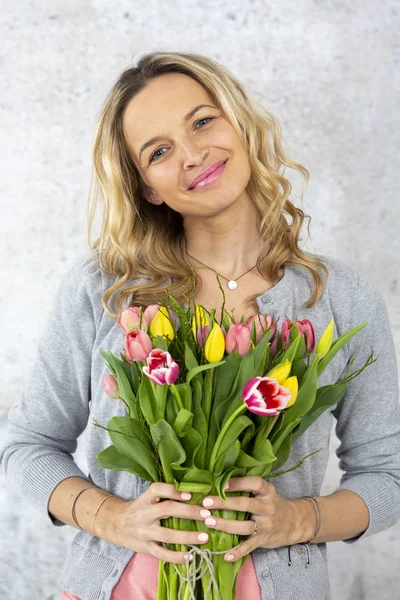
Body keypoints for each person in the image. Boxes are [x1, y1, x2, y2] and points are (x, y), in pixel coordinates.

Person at [1, 50, 399, 600]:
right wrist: (113, 518)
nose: (193, 154)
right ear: (147, 187)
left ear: (238, 120)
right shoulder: (106, 291)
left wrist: (295, 520)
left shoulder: (338, 299)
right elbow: (27, 446)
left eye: (203, 121)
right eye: (159, 151)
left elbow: (389, 476)